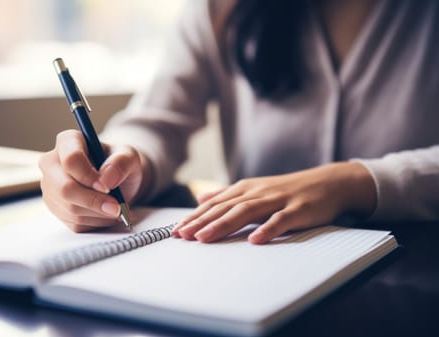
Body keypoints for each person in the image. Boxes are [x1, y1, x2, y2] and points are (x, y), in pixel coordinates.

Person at [39, 0, 439, 244]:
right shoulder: (219, 8)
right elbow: (156, 121)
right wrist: (119, 161)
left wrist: (352, 183)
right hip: (258, 260)